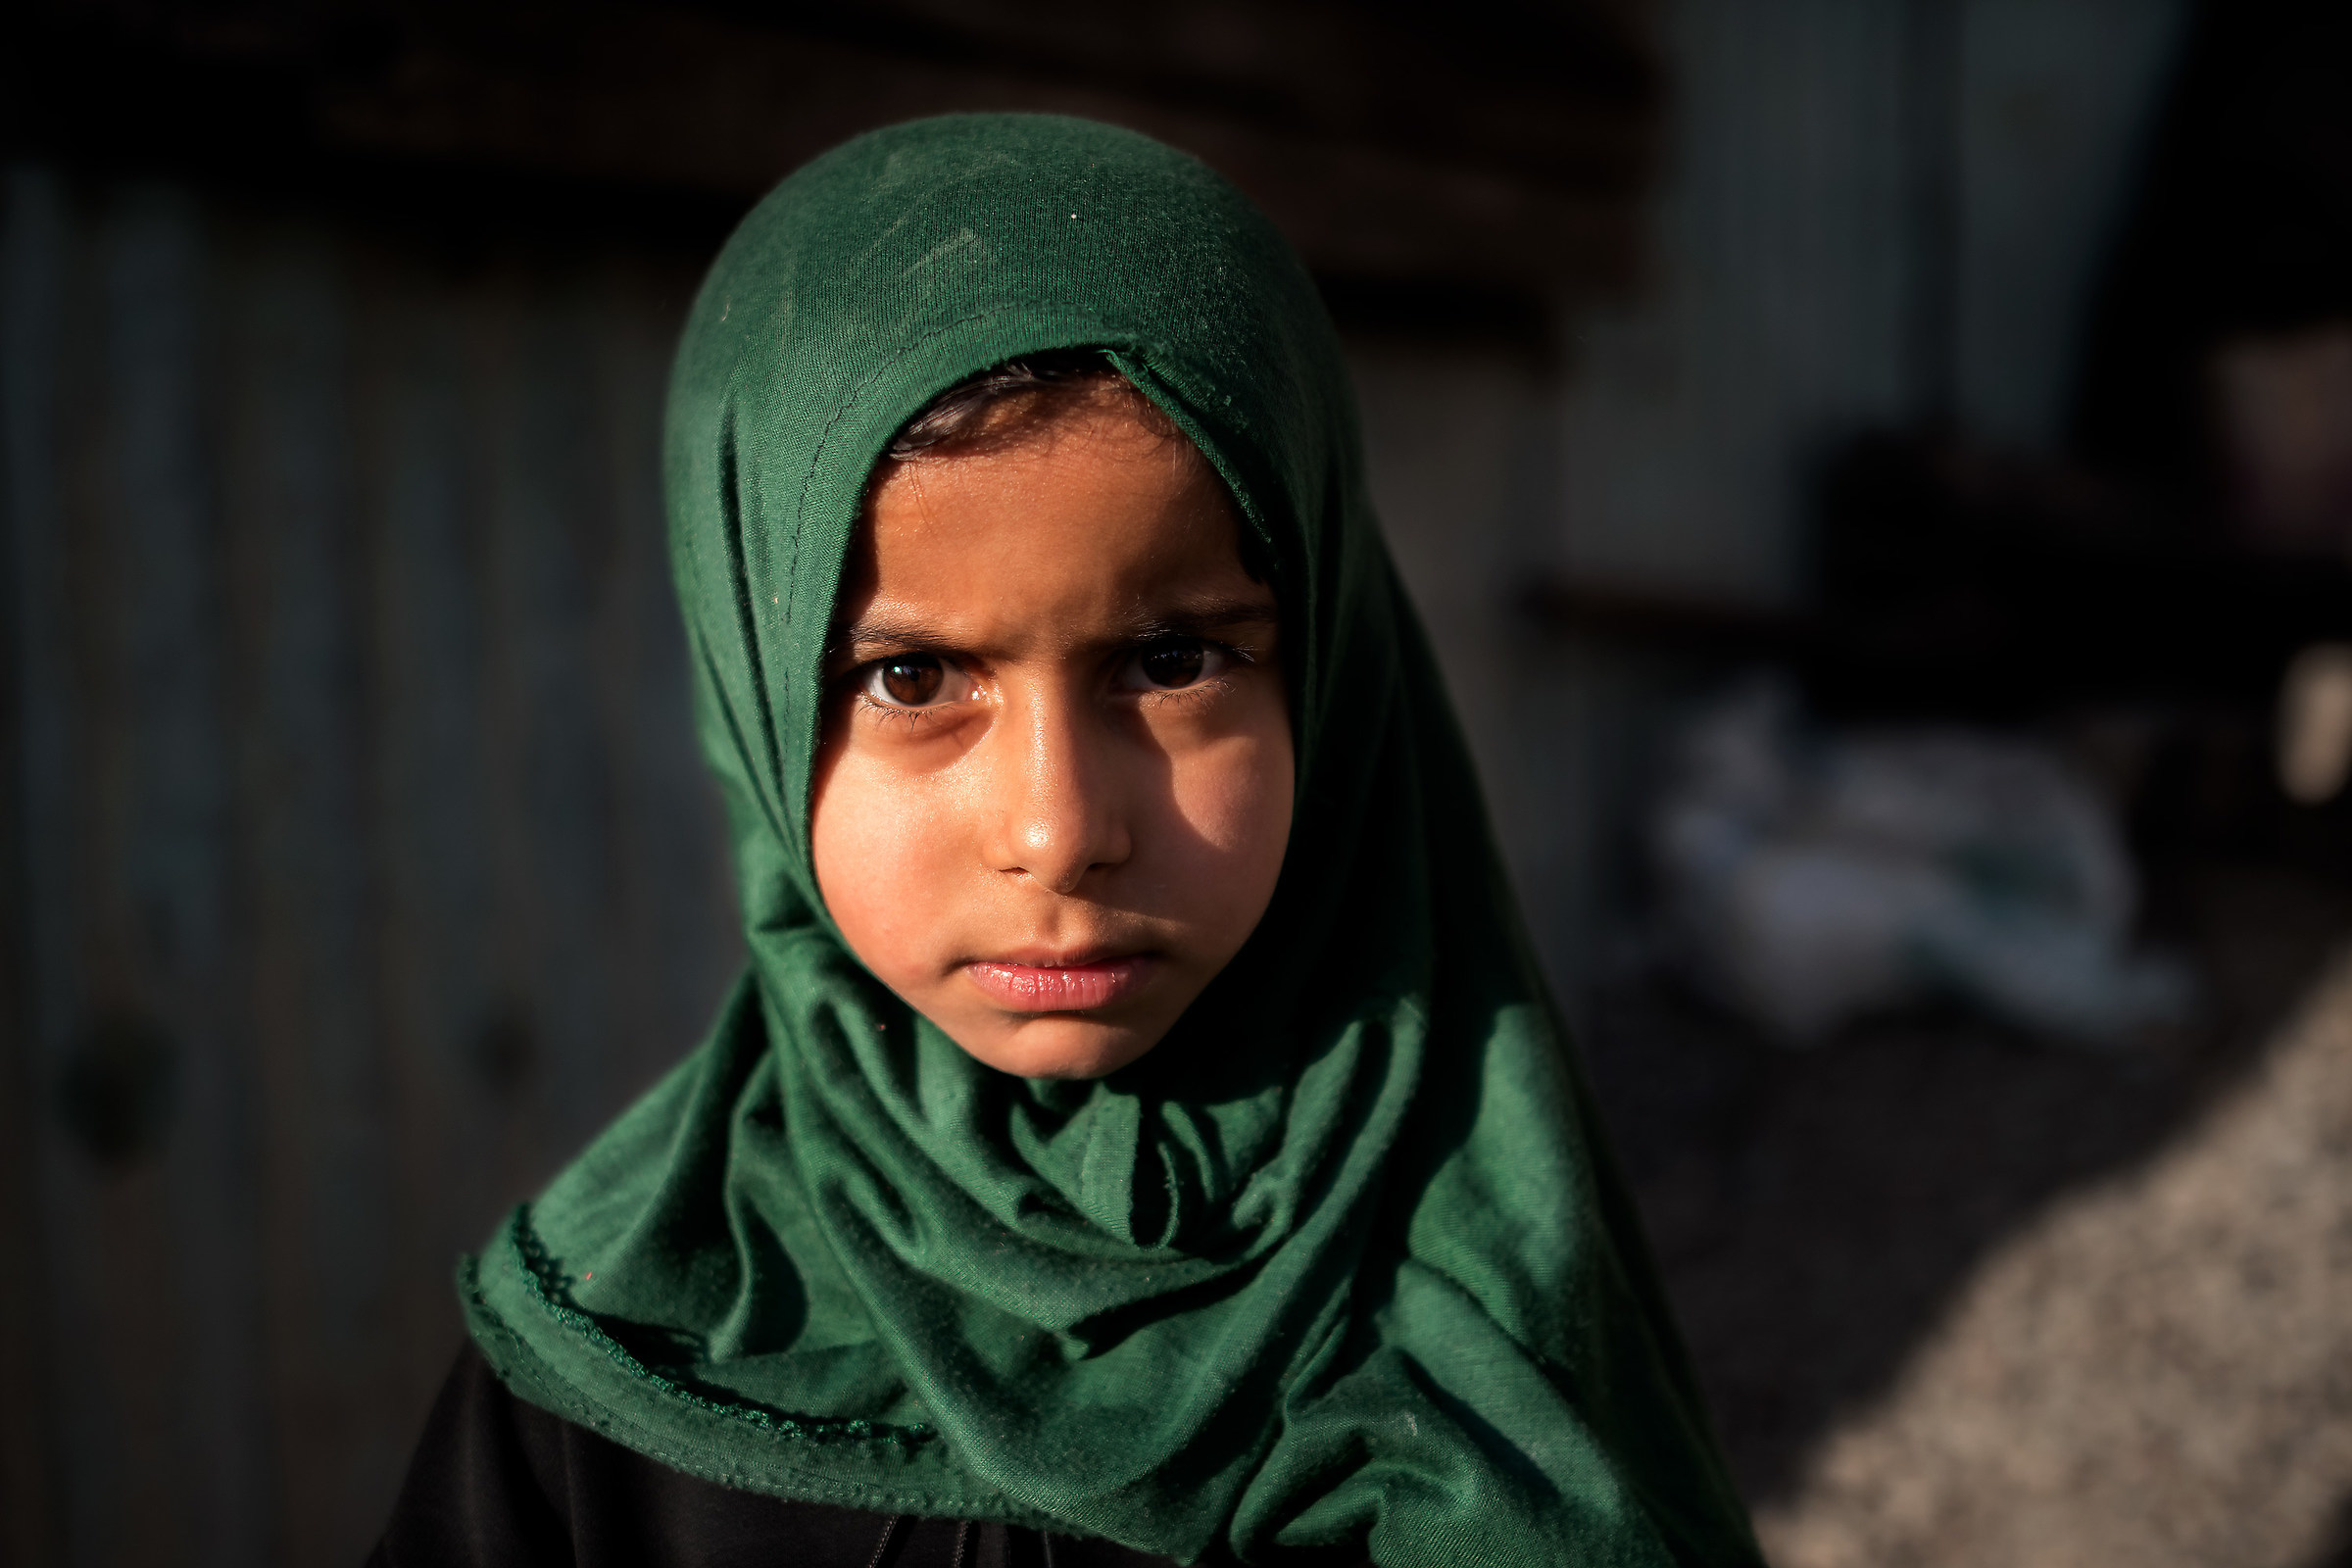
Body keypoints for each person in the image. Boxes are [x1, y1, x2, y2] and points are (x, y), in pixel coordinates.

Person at [371, 113, 1761, 1568]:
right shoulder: (619, 1356)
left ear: (1334, 677)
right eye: (912, 679)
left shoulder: (1483, 1305)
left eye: (1172, 662)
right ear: (755, 697)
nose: (1060, 832)